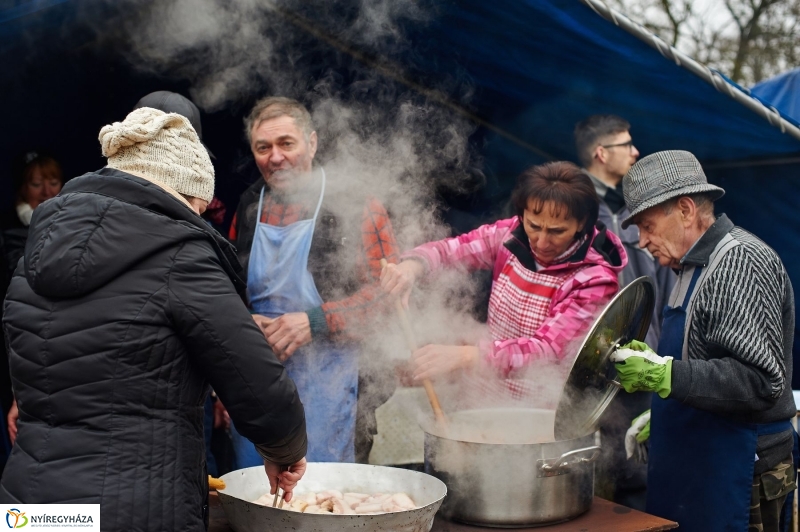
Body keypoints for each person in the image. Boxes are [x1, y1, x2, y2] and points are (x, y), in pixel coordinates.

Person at [0, 108, 307, 531]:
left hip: (31, 509)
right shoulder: (181, 254)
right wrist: (285, 449)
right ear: (179, 195)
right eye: (197, 208)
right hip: (132, 509)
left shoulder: (32, 257)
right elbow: (257, 383)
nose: (197, 220)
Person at [610, 150, 796, 532]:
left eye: (646, 226)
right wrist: (663, 412)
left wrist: (665, 374)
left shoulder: (739, 262)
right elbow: (703, 358)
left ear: (685, 210)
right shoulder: (689, 267)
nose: (641, 242)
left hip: (742, 470)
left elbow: (759, 383)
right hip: (700, 463)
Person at [230, 96, 399, 464]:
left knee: (325, 501)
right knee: (252, 495)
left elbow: (389, 299)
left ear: (312, 143)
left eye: (286, 143)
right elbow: (224, 288)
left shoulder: (356, 206)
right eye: (264, 147)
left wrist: (315, 321)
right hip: (257, 383)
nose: (275, 157)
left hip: (331, 383)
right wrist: (242, 319)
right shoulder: (247, 205)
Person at [380, 161, 627, 396]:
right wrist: (413, 265)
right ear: (522, 215)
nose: (541, 242)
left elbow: (547, 351)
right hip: (484, 391)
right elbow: (454, 250)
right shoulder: (510, 235)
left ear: (582, 224)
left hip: (541, 407)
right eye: (534, 225)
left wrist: (467, 356)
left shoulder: (595, 279)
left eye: (556, 232)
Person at [574, 115, 676, 509]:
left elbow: (664, 285)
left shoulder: (638, 213)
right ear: (601, 153)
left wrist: (662, 350)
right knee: (582, 461)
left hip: (640, 360)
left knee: (634, 459)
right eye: (626, 145)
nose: (636, 152)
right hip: (587, 362)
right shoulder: (575, 212)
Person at [0, 151, 64, 466]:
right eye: (37, 184)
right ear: (23, 189)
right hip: (21, 347)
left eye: (53, 182)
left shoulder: (75, 228)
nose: (47, 192)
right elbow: (27, 276)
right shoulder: (10, 234)